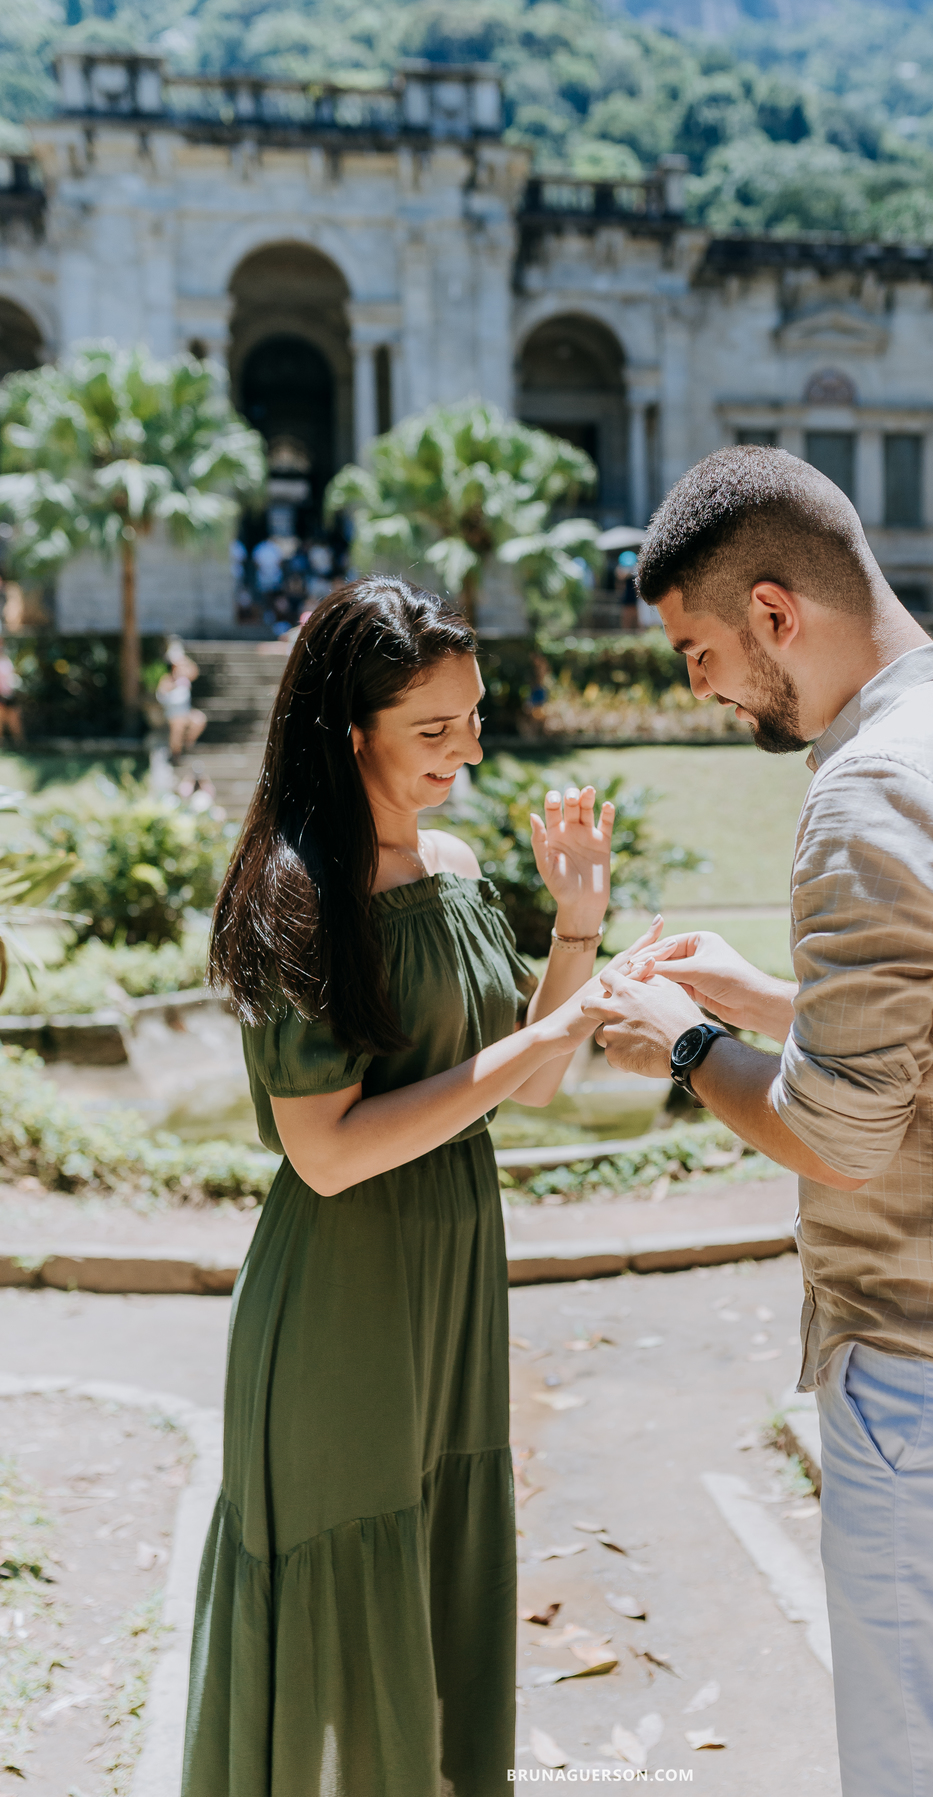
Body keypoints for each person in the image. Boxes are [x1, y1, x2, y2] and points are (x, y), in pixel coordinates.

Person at [582, 447, 933, 1797]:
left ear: (776, 613)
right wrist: (775, 995)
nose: (699, 687)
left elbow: (838, 1134)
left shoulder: (869, 785)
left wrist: (689, 1042)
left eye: (699, 649)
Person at [185, 577, 659, 1796]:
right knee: (344, 1599)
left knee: (439, 1565)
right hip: (341, 1300)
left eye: (475, 720)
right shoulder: (295, 894)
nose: (468, 752)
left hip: (448, 1285)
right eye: (433, 731)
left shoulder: (449, 863)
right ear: (351, 736)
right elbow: (327, 1153)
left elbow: (536, 1086)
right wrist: (520, 1054)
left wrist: (576, 922)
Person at [156, 638, 206, 762]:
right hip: (172, 714)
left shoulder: (184, 678)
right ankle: (175, 754)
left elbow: (195, 671)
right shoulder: (167, 679)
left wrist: (183, 659)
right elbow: (161, 695)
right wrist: (174, 685)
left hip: (185, 712)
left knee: (199, 720)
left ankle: (186, 744)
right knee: (178, 724)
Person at [0, 635, 22, 744]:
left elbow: (11, 676)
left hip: (9, 695)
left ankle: (19, 743)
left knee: (14, 720)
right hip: (1, 696)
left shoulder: (6, 660)